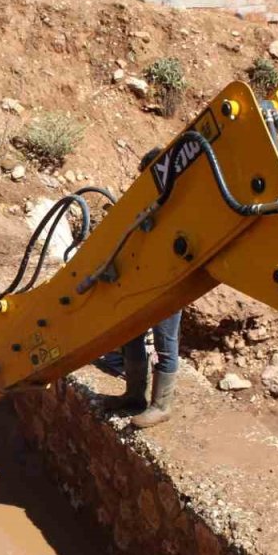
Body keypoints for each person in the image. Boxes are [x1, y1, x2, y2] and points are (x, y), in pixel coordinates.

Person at [97, 146, 183, 429]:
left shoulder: (180, 205)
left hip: (170, 285)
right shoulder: (145, 203)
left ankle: (162, 406)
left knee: (165, 344)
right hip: (140, 282)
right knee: (130, 336)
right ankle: (134, 395)